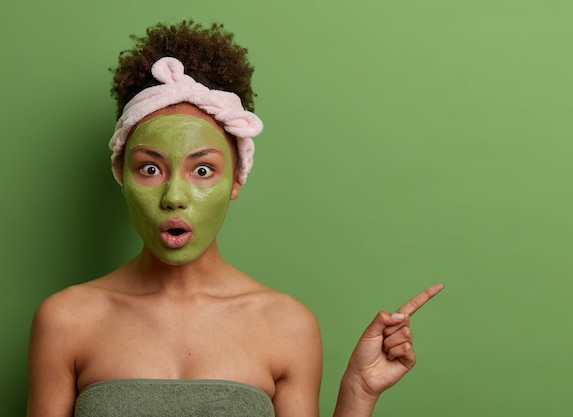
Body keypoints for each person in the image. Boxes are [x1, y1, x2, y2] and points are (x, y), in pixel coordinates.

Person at [26, 20, 444, 417]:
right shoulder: (66, 320)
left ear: (236, 179)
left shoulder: (286, 325)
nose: (174, 197)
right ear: (121, 174)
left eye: (202, 170)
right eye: (150, 169)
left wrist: (358, 393)